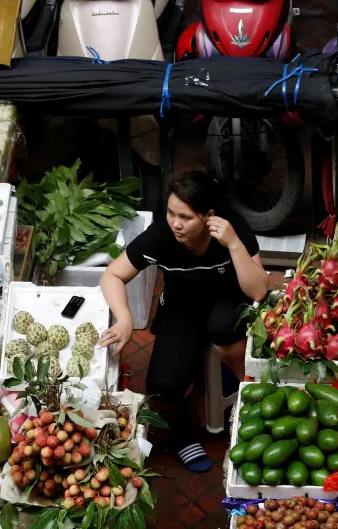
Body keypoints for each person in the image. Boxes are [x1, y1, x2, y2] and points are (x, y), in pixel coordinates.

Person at [98, 171, 268, 472]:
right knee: (163, 386)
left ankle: (250, 391)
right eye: (171, 213)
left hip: (227, 303)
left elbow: (258, 289)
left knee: (224, 327)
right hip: (181, 309)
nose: (175, 223)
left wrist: (234, 245)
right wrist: (124, 317)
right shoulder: (162, 235)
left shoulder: (234, 228)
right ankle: (182, 429)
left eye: (186, 217)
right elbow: (113, 274)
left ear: (209, 217)